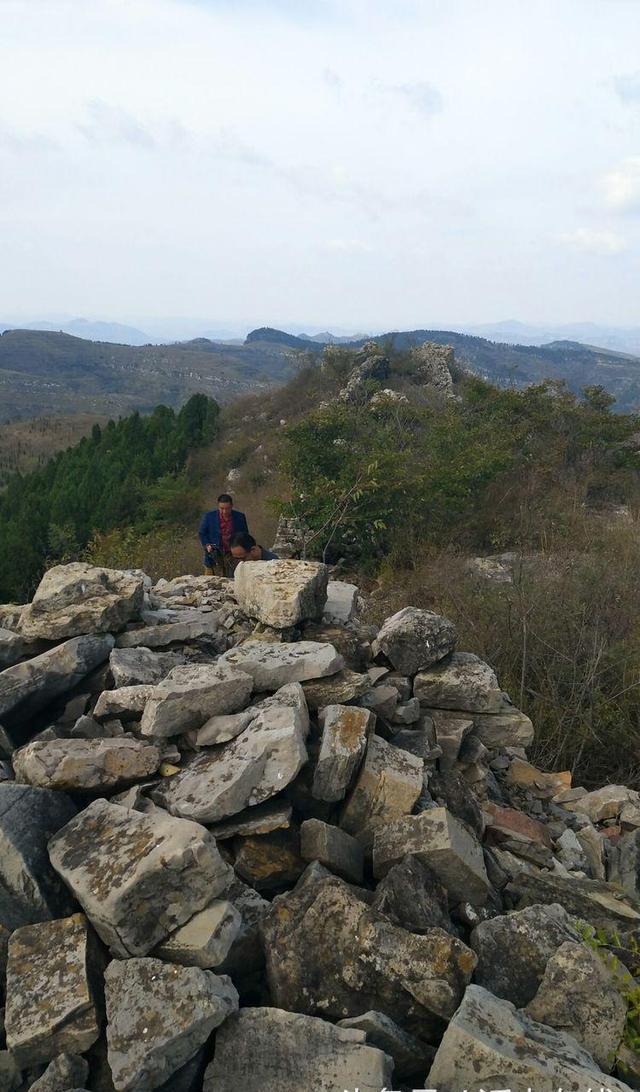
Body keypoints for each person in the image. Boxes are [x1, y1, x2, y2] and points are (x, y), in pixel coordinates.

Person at [199, 494, 249, 577]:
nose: (224, 511)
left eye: (227, 508)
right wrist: (207, 544)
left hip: (233, 554)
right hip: (214, 554)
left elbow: (245, 534)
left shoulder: (239, 517)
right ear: (218, 506)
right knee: (210, 579)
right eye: (222, 509)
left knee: (234, 578)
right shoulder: (209, 517)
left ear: (232, 506)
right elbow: (202, 533)